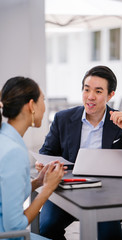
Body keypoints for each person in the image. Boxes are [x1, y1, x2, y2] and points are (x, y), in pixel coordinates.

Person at [36, 65, 122, 240]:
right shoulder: (63, 119)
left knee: (110, 236)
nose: (90, 97)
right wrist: (43, 164)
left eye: (98, 91)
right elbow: (47, 152)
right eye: (86, 89)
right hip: (67, 190)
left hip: (107, 196)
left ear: (110, 94)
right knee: (46, 227)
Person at [0, 76, 67, 240]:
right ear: (31, 106)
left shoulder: (5, 139)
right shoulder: (13, 152)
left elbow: (6, 195)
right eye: (42, 100)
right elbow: (14, 226)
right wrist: (47, 189)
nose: (45, 108)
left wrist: (38, 182)